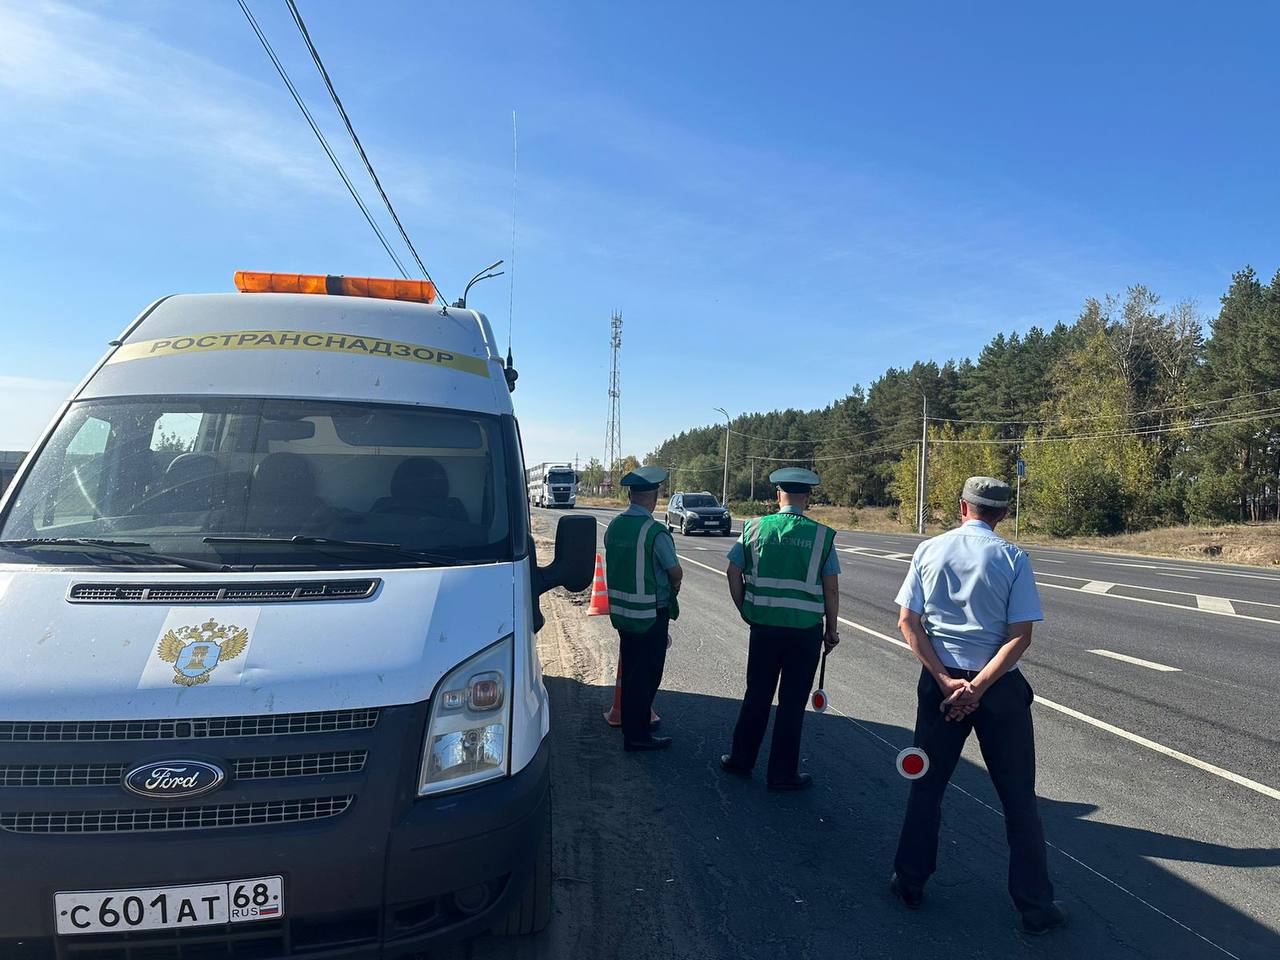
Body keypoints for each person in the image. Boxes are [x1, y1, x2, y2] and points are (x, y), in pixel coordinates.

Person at [889, 476, 1067, 935]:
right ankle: (1035, 906)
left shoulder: (929, 551)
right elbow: (1019, 636)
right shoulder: (1013, 558)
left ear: (962, 506)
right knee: (1018, 798)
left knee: (926, 787)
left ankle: (910, 882)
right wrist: (980, 687)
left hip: (941, 684)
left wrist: (947, 681)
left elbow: (909, 622)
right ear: (1002, 514)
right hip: (999, 690)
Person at [720, 468, 840, 790]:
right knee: (791, 705)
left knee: (756, 696)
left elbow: (733, 572)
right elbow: (831, 589)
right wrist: (832, 629)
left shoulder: (754, 528)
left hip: (764, 629)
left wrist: (746, 608)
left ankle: (740, 760)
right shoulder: (821, 536)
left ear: (777, 496)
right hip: (805, 634)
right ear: (808, 499)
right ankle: (782, 774)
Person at [604, 466, 683, 752]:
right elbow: (675, 572)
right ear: (654, 497)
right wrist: (674, 589)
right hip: (651, 615)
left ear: (631, 495)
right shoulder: (654, 531)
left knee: (631, 672)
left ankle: (631, 724)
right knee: (646, 676)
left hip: (623, 614)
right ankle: (637, 735)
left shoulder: (614, 526)